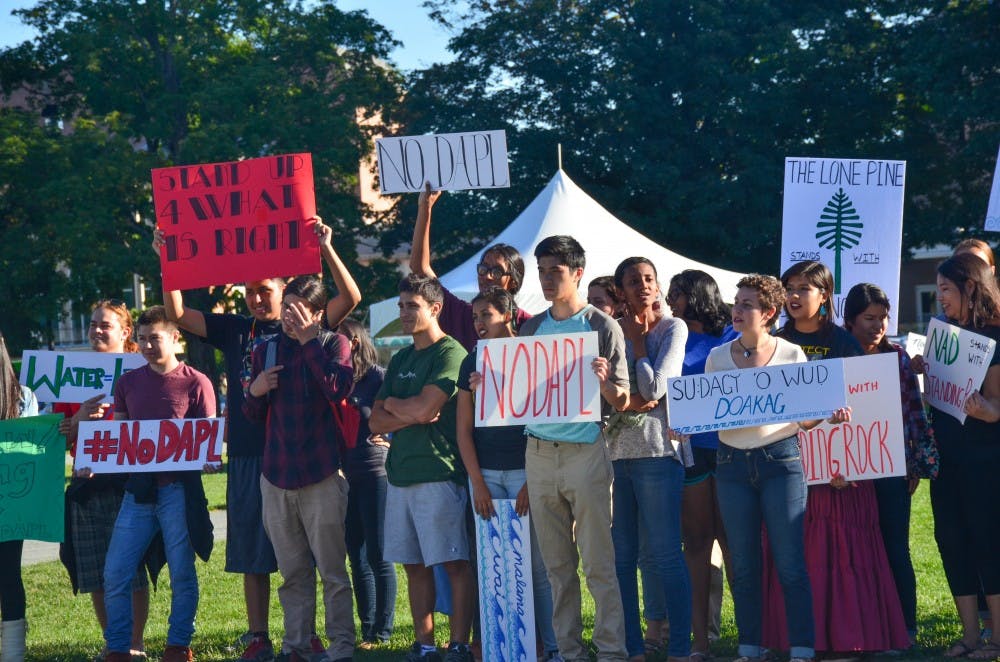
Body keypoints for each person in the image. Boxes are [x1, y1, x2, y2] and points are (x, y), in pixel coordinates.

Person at [154, 218, 359, 661]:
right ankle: (278, 640)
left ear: (293, 294)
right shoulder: (248, 337)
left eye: (270, 291)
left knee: (327, 567)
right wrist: (169, 261)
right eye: (252, 292)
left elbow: (349, 316)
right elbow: (178, 315)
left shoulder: (326, 338)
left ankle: (335, 644)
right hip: (264, 463)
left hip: (318, 466)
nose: (263, 300)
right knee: (273, 561)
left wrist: (326, 248)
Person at [766, 261, 908, 654]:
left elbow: (865, 405)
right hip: (790, 470)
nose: (794, 296)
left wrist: (850, 461)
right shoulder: (773, 343)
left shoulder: (845, 345)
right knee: (798, 557)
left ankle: (851, 636)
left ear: (824, 295)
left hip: (843, 478)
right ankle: (799, 640)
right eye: (789, 288)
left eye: (804, 289)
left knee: (847, 555)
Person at [706, 274, 850, 662]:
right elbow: (708, 415)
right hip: (731, 465)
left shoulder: (791, 355)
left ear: (768, 313)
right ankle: (749, 649)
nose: (736, 310)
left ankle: (802, 649)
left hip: (781, 462)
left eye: (747, 304)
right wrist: (684, 426)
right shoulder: (717, 358)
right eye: (736, 303)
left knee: (789, 563)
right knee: (745, 564)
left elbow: (803, 420)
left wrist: (826, 416)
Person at [518, 235, 630, 662]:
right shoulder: (531, 328)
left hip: (586, 452)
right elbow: (515, 392)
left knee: (598, 564)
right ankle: (569, 651)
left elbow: (622, 399)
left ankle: (612, 652)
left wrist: (603, 382)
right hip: (539, 453)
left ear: (577, 273)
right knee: (556, 568)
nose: (546, 279)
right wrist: (487, 385)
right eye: (542, 270)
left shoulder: (602, 326)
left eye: (555, 271)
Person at [244, 276, 356, 662]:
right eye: (286, 305)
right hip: (276, 477)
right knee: (292, 574)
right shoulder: (266, 350)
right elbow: (255, 415)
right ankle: (298, 646)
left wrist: (310, 344)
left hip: (322, 474)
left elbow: (336, 390)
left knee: (333, 573)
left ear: (318, 313)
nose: (288, 315)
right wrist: (253, 392)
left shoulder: (334, 344)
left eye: (297, 308)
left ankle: (341, 647)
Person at [100, 306, 217, 662]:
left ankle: (178, 644)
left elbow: (208, 439)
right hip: (138, 492)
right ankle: (119, 648)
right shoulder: (127, 384)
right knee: (115, 572)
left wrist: (209, 458)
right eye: (142, 339)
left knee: (182, 571)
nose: (147, 346)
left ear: (175, 338)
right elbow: (121, 438)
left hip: (178, 491)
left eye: (156, 338)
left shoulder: (197, 382)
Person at [369, 274, 473, 662]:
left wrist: (400, 406)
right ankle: (426, 646)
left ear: (435, 308)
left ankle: (459, 644)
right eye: (401, 306)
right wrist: (406, 409)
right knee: (413, 566)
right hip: (400, 476)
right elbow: (374, 422)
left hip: (439, 473)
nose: (404, 313)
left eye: (411, 306)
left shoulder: (451, 353)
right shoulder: (401, 358)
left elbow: (426, 409)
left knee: (453, 564)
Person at [455, 287, 560, 661]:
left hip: (527, 471)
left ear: (508, 314)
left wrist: (533, 481)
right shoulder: (472, 362)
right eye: (475, 317)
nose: (479, 323)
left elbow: (546, 420)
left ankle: (551, 647)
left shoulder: (531, 356)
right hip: (484, 474)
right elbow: (463, 430)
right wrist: (478, 482)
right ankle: (499, 645)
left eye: (487, 315)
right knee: (490, 563)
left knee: (536, 565)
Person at [843, 282, 939, 647]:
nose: (878, 325)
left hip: (892, 469)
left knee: (895, 547)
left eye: (883, 317)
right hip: (847, 473)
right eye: (870, 318)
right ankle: (864, 627)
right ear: (851, 320)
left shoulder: (898, 358)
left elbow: (915, 412)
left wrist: (914, 463)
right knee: (856, 550)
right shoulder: (837, 356)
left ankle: (906, 626)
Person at [606, 257, 691, 662]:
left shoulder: (674, 328)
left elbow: (656, 387)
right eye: (633, 281)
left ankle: (679, 648)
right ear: (620, 291)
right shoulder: (609, 331)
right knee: (622, 558)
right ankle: (632, 648)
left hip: (660, 453)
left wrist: (638, 345)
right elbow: (610, 397)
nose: (643, 286)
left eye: (649, 279)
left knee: (665, 555)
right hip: (617, 456)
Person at [56, 300, 150, 661]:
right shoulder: (71, 375)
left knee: (132, 569)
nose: (96, 330)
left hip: (126, 483)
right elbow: (60, 439)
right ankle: (114, 645)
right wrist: (79, 418)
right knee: (97, 571)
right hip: (85, 488)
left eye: (105, 325)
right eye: (93, 324)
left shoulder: (140, 374)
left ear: (125, 333)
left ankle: (135, 644)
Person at [920, 254, 1000, 660]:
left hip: (987, 460)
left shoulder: (996, 335)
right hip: (946, 459)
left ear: (970, 287)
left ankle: (997, 639)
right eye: (937, 292)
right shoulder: (945, 334)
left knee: (988, 541)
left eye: (946, 290)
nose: (940, 300)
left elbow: (997, 405)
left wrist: (991, 411)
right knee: (951, 540)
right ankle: (969, 636)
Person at [667, 270, 738, 659]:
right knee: (695, 543)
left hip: (731, 450)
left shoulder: (733, 335)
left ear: (697, 295)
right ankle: (700, 641)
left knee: (733, 543)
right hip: (689, 452)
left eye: (677, 294)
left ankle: (750, 636)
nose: (669, 300)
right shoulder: (672, 337)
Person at [409, 183, 532, 351]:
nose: (487, 276)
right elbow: (419, 268)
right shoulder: (464, 316)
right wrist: (425, 206)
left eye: (496, 272)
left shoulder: (532, 327)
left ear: (513, 283)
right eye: (483, 269)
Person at [336, 318, 396, 649]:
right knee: (355, 554)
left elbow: (399, 413)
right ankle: (369, 628)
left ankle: (383, 632)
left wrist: (390, 439)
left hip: (374, 472)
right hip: (344, 475)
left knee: (378, 552)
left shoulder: (376, 377)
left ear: (355, 342)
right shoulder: (338, 380)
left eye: (340, 340)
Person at [0, 329, 39, 662]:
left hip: (10, 501)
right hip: (12, 503)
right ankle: (13, 654)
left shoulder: (23, 396)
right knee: (9, 575)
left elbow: (33, 449)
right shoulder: (23, 395)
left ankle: (13, 653)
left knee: (8, 575)